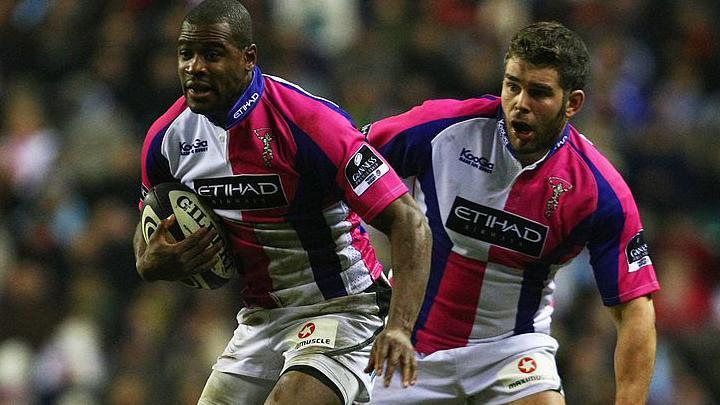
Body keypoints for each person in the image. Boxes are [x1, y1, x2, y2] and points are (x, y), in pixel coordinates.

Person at [132, 1, 431, 404]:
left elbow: (409, 221)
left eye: (212, 54)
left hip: (344, 307)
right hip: (262, 318)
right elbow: (150, 225)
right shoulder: (166, 140)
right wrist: (147, 260)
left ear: (248, 58)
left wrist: (399, 327)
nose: (195, 67)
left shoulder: (309, 123)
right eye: (186, 54)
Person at [363, 21, 660, 404]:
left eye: (539, 93)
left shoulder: (598, 190)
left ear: (572, 103)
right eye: (512, 85)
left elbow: (636, 310)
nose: (520, 103)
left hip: (511, 354)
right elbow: (341, 160)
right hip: (409, 346)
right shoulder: (443, 130)